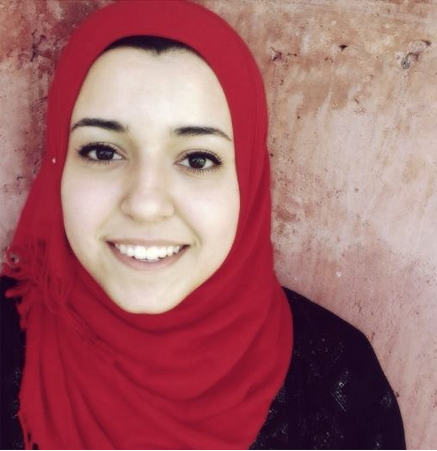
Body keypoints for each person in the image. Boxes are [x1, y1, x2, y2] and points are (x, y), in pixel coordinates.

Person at [0, 1, 405, 449]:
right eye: (102, 152)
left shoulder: (341, 380)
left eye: (197, 159)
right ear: (57, 166)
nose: (146, 205)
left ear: (248, 181)